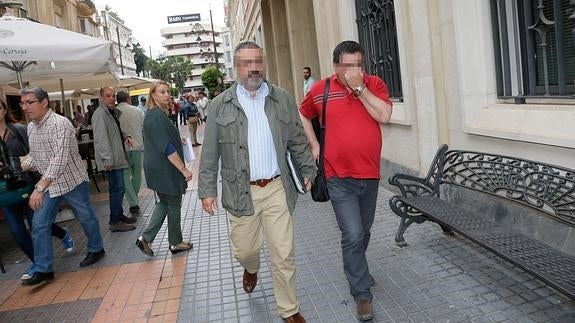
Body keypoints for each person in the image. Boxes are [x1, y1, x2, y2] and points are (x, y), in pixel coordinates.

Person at [198, 41, 315, 323]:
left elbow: (298, 138)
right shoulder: (219, 105)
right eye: (247, 63)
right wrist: (206, 190)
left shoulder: (282, 98)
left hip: (277, 187)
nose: (254, 68)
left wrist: (308, 168)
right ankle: (250, 268)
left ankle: (289, 309)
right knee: (245, 250)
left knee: (283, 253)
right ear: (237, 67)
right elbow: (210, 150)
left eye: (258, 62)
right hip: (241, 192)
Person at [299, 40, 393, 321]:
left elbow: (385, 115)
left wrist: (360, 88)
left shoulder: (373, 84)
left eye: (359, 65)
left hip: (370, 174)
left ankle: (357, 266)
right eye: (348, 66)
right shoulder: (321, 89)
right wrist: (314, 145)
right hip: (338, 176)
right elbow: (303, 114)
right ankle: (361, 294)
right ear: (336, 66)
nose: (355, 71)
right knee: (351, 234)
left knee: (363, 231)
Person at [19, 87, 106, 286]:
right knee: (39, 224)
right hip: (51, 183)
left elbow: (59, 158)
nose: (25, 107)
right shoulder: (31, 127)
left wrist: (39, 188)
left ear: (44, 102)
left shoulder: (60, 124)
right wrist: (21, 164)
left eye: (29, 102)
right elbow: (37, 156)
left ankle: (96, 248)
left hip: (72, 180)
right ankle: (44, 269)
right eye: (22, 103)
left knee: (85, 216)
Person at [0, 98, 74, 281]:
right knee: (17, 232)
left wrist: (21, 163)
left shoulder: (19, 130)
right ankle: (38, 263)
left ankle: (62, 234)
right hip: (4, 190)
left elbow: (36, 153)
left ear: (3, 110)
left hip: (28, 185)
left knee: (38, 224)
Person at [136, 81, 193, 256]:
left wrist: (179, 140)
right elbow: (167, 148)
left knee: (165, 202)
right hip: (164, 168)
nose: (167, 95)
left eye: (168, 91)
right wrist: (184, 169)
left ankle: (145, 238)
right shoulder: (155, 115)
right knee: (173, 201)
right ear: (153, 95)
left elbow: (162, 139)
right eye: (162, 92)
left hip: (160, 167)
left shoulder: (157, 114)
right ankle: (175, 242)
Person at [92, 87, 136, 232]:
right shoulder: (100, 114)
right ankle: (114, 221)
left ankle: (119, 215)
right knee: (117, 189)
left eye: (113, 96)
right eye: (108, 96)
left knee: (119, 188)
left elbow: (114, 131)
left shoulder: (110, 112)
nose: (111, 98)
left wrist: (125, 136)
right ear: (101, 98)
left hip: (116, 157)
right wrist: (106, 159)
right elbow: (100, 138)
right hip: (111, 159)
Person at [116, 91, 144, 215]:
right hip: (137, 145)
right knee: (137, 173)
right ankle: (134, 200)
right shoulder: (137, 110)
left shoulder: (114, 112)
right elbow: (144, 127)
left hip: (122, 148)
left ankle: (133, 202)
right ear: (127, 98)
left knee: (125, 176)